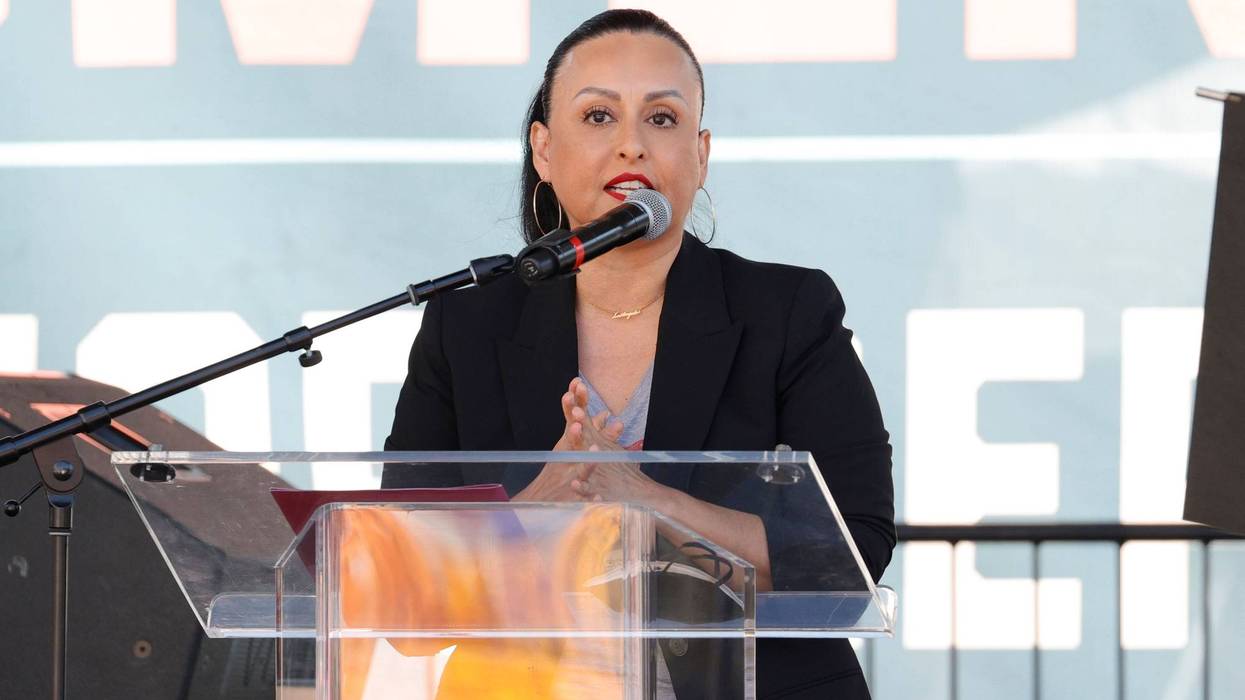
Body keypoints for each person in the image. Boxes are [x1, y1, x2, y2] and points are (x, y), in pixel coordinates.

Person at [384, 9, 895, 699]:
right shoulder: (467, 323)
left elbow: (848, 557)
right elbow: (400, 596)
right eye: (598, 117)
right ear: (543, 148)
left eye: (661, 119)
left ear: (700, 152)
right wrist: (543, 501)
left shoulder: (787, 312)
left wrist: (645, 500)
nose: (632, 145)